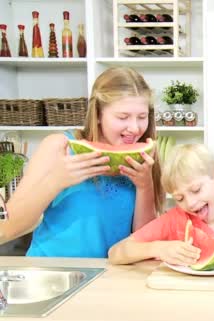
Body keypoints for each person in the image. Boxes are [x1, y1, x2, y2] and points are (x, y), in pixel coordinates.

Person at [0, 67, 164, 257]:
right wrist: (55, 181)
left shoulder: (143, 157)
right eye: (123, 117)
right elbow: (9, 226)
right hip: (53, 273)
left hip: (109, 276)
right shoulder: (59, 146)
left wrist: (145, 186)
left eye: (142, 117)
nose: (135, 128)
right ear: (98, 114)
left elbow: (144, 240)